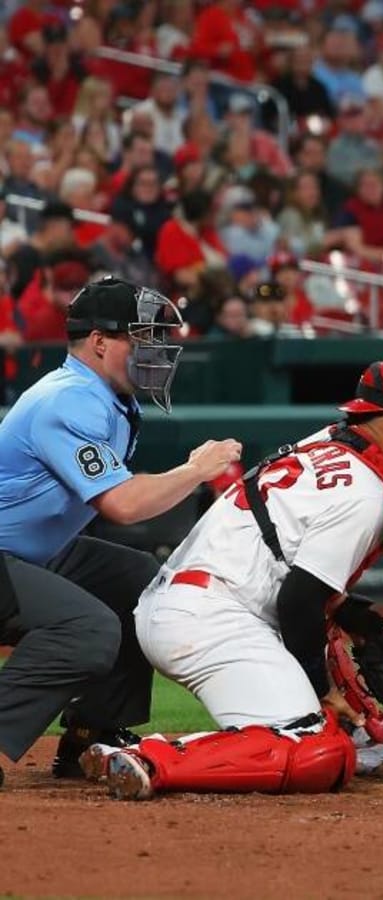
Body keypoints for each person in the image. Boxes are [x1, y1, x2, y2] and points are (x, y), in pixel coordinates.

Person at [86, 358, 383, 800]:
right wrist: (326, 692)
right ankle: (153, 758)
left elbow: (298, 577)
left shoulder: (330, 440)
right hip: (210, 620)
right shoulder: (365, 493)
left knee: (327, 621)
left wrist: (353, 618)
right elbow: (298, 603)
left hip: (191, 599)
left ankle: (366, 738)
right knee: (315, 752)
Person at [0, 277, 242, 787]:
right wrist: (198, 469)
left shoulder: (106, 397)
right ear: (100, 342)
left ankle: (93, 735)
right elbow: (124, 505)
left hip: (32, 553)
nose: (154, 348)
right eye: (141, 336)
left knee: (139, 583)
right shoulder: (67, 400)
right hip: (7, 555)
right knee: (89, 630)